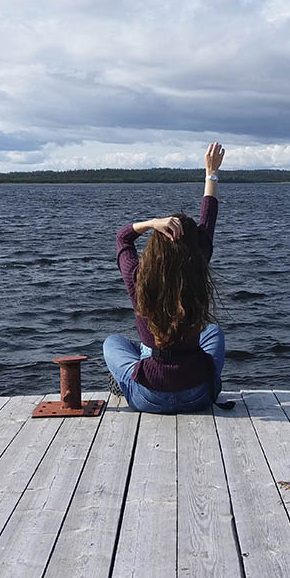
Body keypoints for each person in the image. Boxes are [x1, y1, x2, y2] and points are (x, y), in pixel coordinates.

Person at [103, 142, 227, 413]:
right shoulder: (197, 271)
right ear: (195, 251)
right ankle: (145, 361)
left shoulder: (139, 279)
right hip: (200, 394)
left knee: (113, 343)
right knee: (214, 333)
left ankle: (133, 375)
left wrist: (151, 223)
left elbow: (122, 237)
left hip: (149, 397)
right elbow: (208, 222)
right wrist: (211, 173)